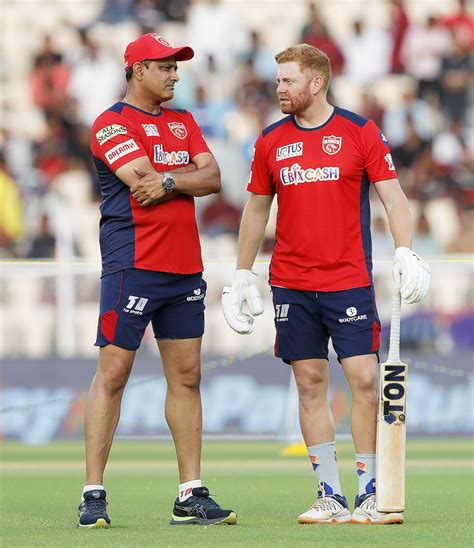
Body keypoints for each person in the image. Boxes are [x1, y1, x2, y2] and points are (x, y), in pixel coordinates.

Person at [221, 44, 430, 525]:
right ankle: (329, 494)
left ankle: (371, 490)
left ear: (316, 82)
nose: (279, 88)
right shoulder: (270, 140)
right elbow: (256, 208)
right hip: (291, 284)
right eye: (277, 80)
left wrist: (404, 248)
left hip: (348, 280)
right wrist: (240, 273)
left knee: (364, 380)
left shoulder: (359, 131)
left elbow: (394, 197)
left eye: (288, 80)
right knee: (309, 382)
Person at [78, 33, 236, 528]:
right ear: (137, 70)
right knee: (114, 374)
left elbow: (213, 179)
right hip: (133, 264)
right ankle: (93, 492)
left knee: (188, 378)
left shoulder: (183, 120)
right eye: (165, 66)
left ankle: (190, 493)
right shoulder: (110, 123)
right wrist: (178, 174)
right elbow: (141, 180)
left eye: (176, 66)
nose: (175, 75)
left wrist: (171, 180)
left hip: (185, 266)